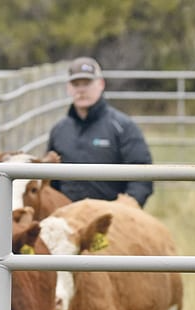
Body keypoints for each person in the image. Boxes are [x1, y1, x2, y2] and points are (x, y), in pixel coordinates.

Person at [47, 56, 153, 207]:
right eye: (76, 84)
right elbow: (50, 181)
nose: (81, 89)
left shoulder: (123, 127)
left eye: (87, 83)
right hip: (68, 220)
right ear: (68, 88)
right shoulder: (59, 131)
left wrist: (124, 210)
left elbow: (142, 176)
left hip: (110, 218)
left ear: (101, 84)